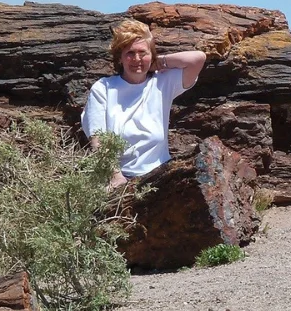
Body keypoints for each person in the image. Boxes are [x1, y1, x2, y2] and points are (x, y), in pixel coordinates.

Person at [81, 19, 208, 188]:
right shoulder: (103, 88)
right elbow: (98, 141)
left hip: (159, 175)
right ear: (120, 58)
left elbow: (197, 58)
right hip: (117, 178)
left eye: (143, 52)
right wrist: (116, 177)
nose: (136, 59)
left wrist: (157, 62)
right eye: (130, 53)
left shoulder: (162, 82)